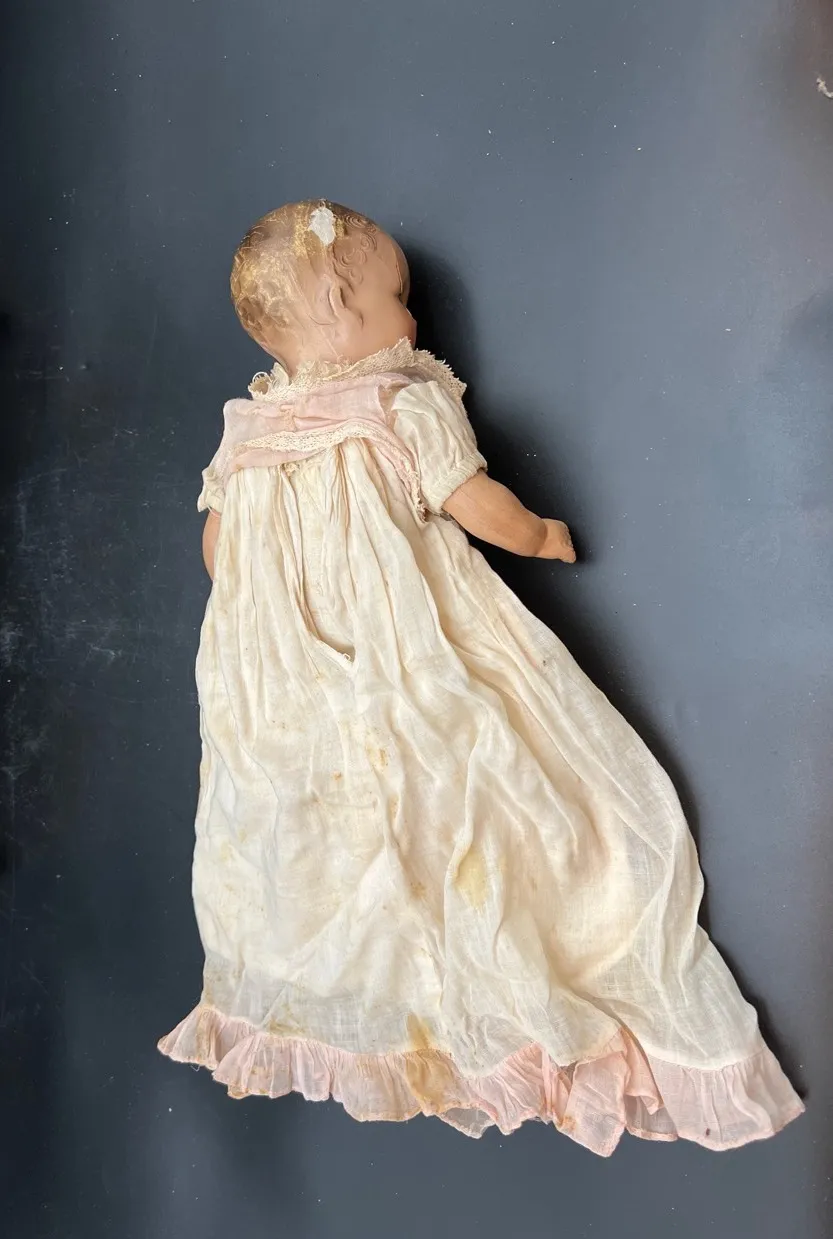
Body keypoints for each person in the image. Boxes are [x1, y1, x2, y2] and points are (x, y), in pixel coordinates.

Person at [159, 199, 803, 1155]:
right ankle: (529, 990)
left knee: (332, 832)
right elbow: (469, 499)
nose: (411, 315)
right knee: (471, 774)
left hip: (289, 681)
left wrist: (278, 601)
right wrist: (537, 533)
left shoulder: (247, 434)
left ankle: (378, 997)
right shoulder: (396, 401)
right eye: (395, 296)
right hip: (402, 645)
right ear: (340, 306)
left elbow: (219, 553)